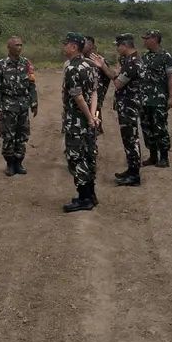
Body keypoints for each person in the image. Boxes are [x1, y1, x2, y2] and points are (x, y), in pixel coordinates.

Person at [89, 33, 144, 186]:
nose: (117, 48)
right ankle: (131, 170)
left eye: (118, 45)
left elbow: (118, 83)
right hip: (127, 105)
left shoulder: (133, 63)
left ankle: (134, 175)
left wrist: (103, 67)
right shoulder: (129, 61)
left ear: (124, 45)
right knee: (129, 139)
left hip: (129, 106)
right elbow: (115, 75)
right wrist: (104, 66)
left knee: (131, 139)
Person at [61, 32, 100, 212]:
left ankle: (84, 199)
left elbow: (78, 97)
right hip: (88, 120)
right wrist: (93, 117)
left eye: (66, 44)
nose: (64, 47)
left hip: (77, 121)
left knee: (76, 158)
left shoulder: (72, 68)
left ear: (74, 47)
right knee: (88, 156)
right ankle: (90, 194)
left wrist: (87, 117)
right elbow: (93, 93)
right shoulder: (90, 65)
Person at [0, 36, 38, 176]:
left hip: (23, 106)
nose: (19, 47)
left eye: (21, 45)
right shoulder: (0, 65)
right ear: (9, 47)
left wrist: (34, 103)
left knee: (22, 136)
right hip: (8, 107)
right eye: (16, 45)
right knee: (8, 137)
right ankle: (10, 164)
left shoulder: (26, 63)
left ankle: (19, 163)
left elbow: (31, 84)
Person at [140, 29, 172, 168]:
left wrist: (171, 96)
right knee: (147, 129)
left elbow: (171, 77)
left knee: (160, 128)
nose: (144, 41)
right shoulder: (145, 57)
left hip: (159, 100)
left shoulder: (166, 56)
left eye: (147, 38)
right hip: (145, 100)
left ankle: (164, 157)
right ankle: (153, 156)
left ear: (155, 39)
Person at [82, 36, 110, 133]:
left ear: (92, 45)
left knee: (97, 107)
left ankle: (97, 126)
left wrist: (102, 90)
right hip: (88, 88)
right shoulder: (82, 59)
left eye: (87, 44)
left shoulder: (99, 59)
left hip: (98, 88)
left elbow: (107, 76)